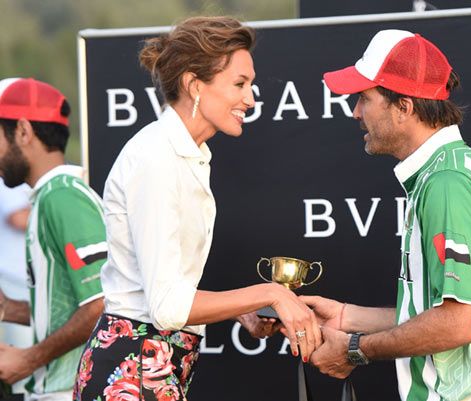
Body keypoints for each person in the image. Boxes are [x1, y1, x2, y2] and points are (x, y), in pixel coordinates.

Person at [73, 16, 321, 401]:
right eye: (239, 84)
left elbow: (164, 285)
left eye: (250, 84)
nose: (251, 99)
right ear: (194, 85)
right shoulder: (157, 158)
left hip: (154, 366)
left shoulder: (186, 155)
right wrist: (270, 294)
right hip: (132, 374)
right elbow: (166, 306)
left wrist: (242, 309)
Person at [303, 30, 471, 401]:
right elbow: (437, 311)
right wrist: (347, 318)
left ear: (404, 107)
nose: (356, 112)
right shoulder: (444, 172)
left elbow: (458, 324)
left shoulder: (447, 182)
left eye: (364, 98)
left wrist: (355, 348)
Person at [0, 78, 106, 401]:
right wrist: (8, 308)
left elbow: (102, 305)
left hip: (73, 388)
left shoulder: (62, 198)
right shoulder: (49, 196)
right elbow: (71, 307)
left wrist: (27, 358)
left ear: (23, 131)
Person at [0, 178, 34, 398]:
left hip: (23, 284)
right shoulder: (9, 175)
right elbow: (18, 217)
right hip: (13, 282)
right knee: (21, 373)